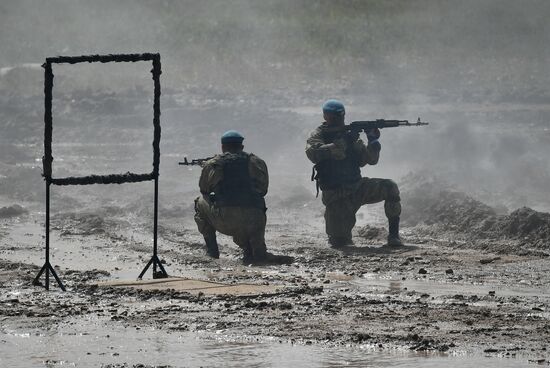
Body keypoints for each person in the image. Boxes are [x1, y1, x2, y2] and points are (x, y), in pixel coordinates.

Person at [305, 99, 403, 247]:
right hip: (336, 194)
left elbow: (370, 160)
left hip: (357, 187)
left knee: (390, 187)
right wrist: (342, 142)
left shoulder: (350, 136)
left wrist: (373, 142)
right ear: (325, 116)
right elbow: (314, 153)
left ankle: (394, 236)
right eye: (335, 117)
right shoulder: (318, 135)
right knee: (340, 242)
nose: (339, 121)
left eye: (341, 117)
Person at [194, 130, 271, 262]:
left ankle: (212, 252)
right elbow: (263, 190)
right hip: (254, 220)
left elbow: (204, 190)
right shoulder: (257, 162)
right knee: (257, 202)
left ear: (222, 147)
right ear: (242, 147)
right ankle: (252, 249)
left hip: (226, 220)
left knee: (200, 202)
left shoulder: (214, 164)